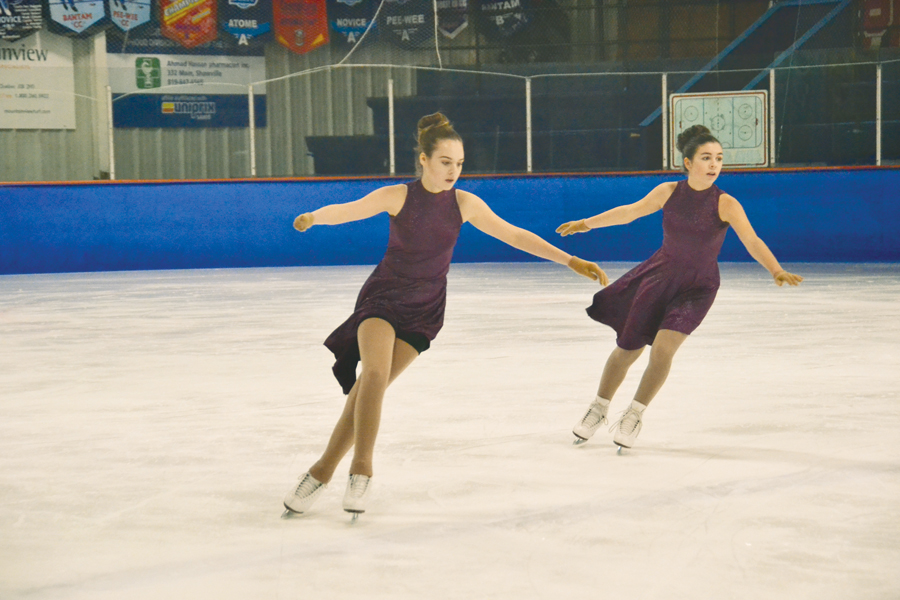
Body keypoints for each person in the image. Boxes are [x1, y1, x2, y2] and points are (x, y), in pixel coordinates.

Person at [284, 113, 608, 516]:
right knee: (373, 375)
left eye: (459, 163)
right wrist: (314, 217)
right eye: (444, 162)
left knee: (369, 390)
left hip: (425, 310)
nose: (453, 170)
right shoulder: (398, 196)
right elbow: (350, 209)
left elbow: (514, 234)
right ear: (423, 160)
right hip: (383, 299)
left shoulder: (465, 204)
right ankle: (361, 469)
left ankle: (320, 471)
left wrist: (569, 260)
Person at [557, 124, 802, 450]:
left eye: (719, 158)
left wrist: (775, 269)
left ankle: (634, 414)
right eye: (706, 158)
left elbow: (752, 240)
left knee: (663, 350)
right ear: (688, 163)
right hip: (658, 279)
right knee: (628, 349)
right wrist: (586, 223)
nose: (714, 165)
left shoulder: (726, 203)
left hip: (698, 288)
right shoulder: (668, 192)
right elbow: (629, 213)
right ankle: (598, 408)